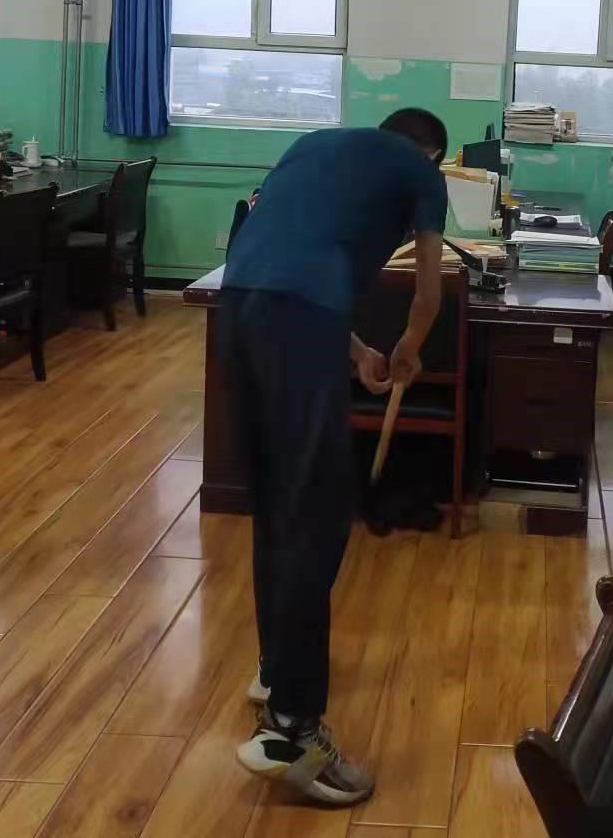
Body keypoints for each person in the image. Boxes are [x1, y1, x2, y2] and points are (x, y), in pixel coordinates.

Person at [221, 107, 450, 805]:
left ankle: (275, 673)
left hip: (236, 308)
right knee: (318, 517)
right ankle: (292, 732)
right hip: (299, 317)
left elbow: (277, 266)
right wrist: (409, 348)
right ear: (432, 154)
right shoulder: (422, 173)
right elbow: (429, 294)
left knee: (276, 506)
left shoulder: (312, 144)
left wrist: (355, 353)